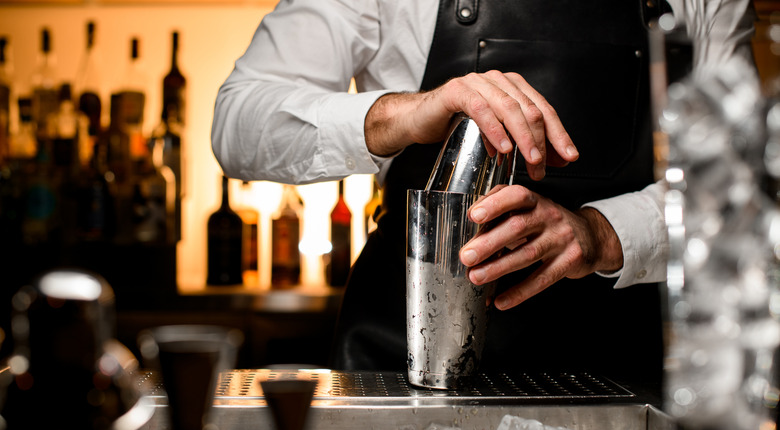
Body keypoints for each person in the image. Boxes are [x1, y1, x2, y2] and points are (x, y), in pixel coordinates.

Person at [212, 0, 757, 385]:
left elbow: (741, 185)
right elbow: (238, 121)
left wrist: (605, 233)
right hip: (406, 356)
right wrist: (405, 112)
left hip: (617, 365)